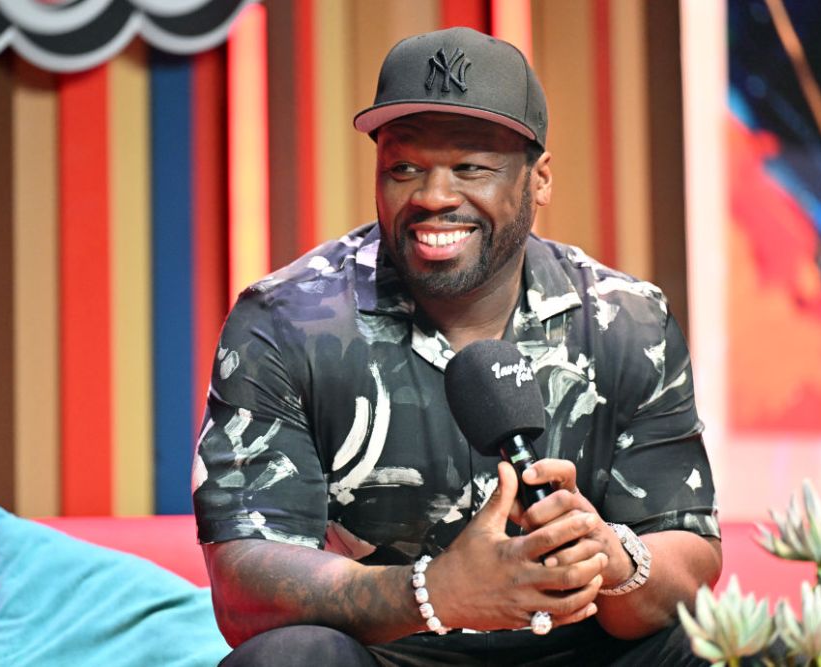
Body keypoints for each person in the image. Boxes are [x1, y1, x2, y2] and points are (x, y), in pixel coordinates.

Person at [192, 26, 721, 666]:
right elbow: (244, 585)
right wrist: (434, 592)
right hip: (390, 654)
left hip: (581, 649)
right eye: (404, 168)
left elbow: (686, 554)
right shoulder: (287, 322)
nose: (434, 196)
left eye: (471, 167)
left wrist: (609, 557)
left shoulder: (627, 321)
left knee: (721, 648)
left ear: (539, 179)